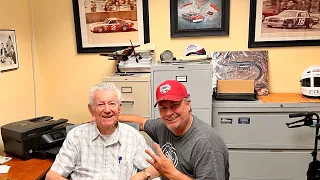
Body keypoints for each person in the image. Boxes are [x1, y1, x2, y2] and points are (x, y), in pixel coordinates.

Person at [89, 80, 230, 179]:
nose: (169, 113)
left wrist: (170, 173)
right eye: (163, 107)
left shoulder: (206, 144)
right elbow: (142, 122)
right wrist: (110, 116)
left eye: (174, 105)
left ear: (188, 104)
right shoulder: (163, 126)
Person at [46, 82, 159, 180]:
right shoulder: (76, 136)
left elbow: (156, 167)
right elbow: (52, 176)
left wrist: (145, 174)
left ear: (119, 109)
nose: (107, 110)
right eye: (100, 104)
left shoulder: (132, 136)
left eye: (112, 104)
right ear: (91, 110)